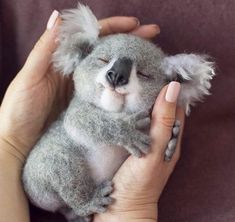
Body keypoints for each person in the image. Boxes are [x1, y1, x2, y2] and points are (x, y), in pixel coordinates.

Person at [0, 11, 185, 222]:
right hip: (43, 179)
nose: (117, 74)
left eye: (143, 74)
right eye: (103, 60)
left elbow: (147, 146)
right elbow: (77, 124)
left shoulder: (144, 118)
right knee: (55, 162)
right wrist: (9, 143)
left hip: (98, 189)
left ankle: (74, 211)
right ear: (82, 58)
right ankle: (83, 202)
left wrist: (164, 141)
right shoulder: (81, 108)